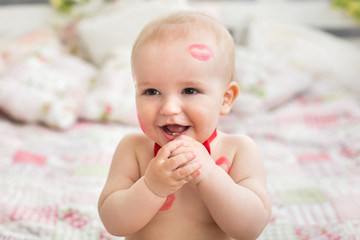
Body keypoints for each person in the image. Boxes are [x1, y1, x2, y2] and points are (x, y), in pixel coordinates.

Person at [98, 11, 271, 240]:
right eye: (152, 91)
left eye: (190, 90)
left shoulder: (239, 150)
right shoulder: (134, 149)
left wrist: (209, 173)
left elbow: (250, 229)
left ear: (225, 98)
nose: (169, 108)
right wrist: (151, 187)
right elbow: (114, 223)